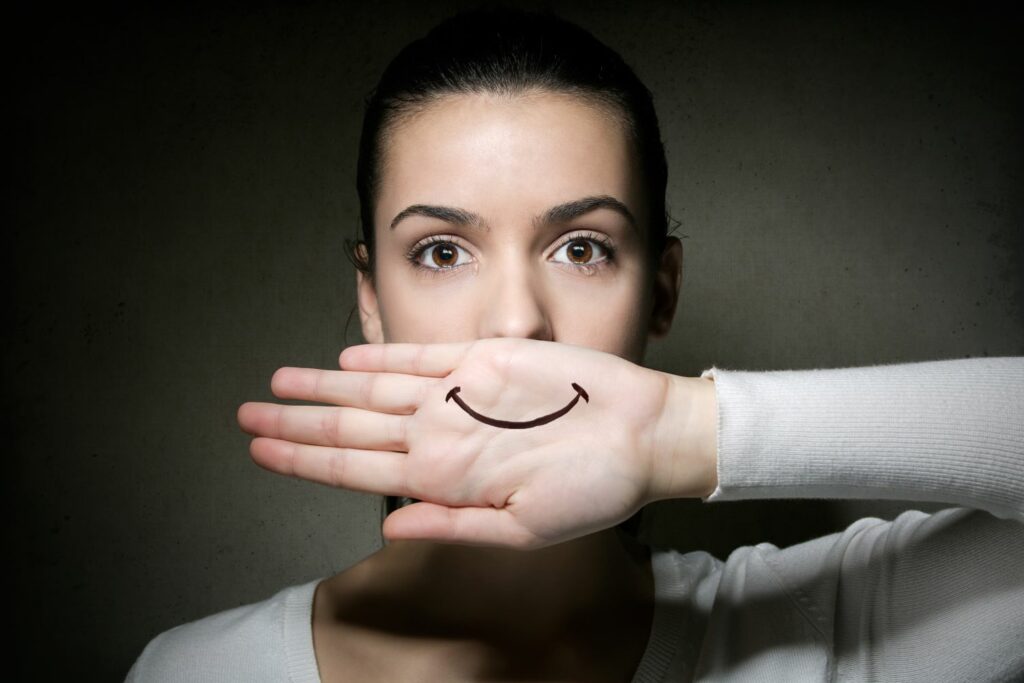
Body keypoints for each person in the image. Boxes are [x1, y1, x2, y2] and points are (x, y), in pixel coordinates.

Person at [126, 6, 1024, 682]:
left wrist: (682, 428)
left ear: (661, 288)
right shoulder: (198, 670)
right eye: (441, 251)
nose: (516, 321)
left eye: (582, 248)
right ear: (370, 297)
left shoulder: (830, 631)